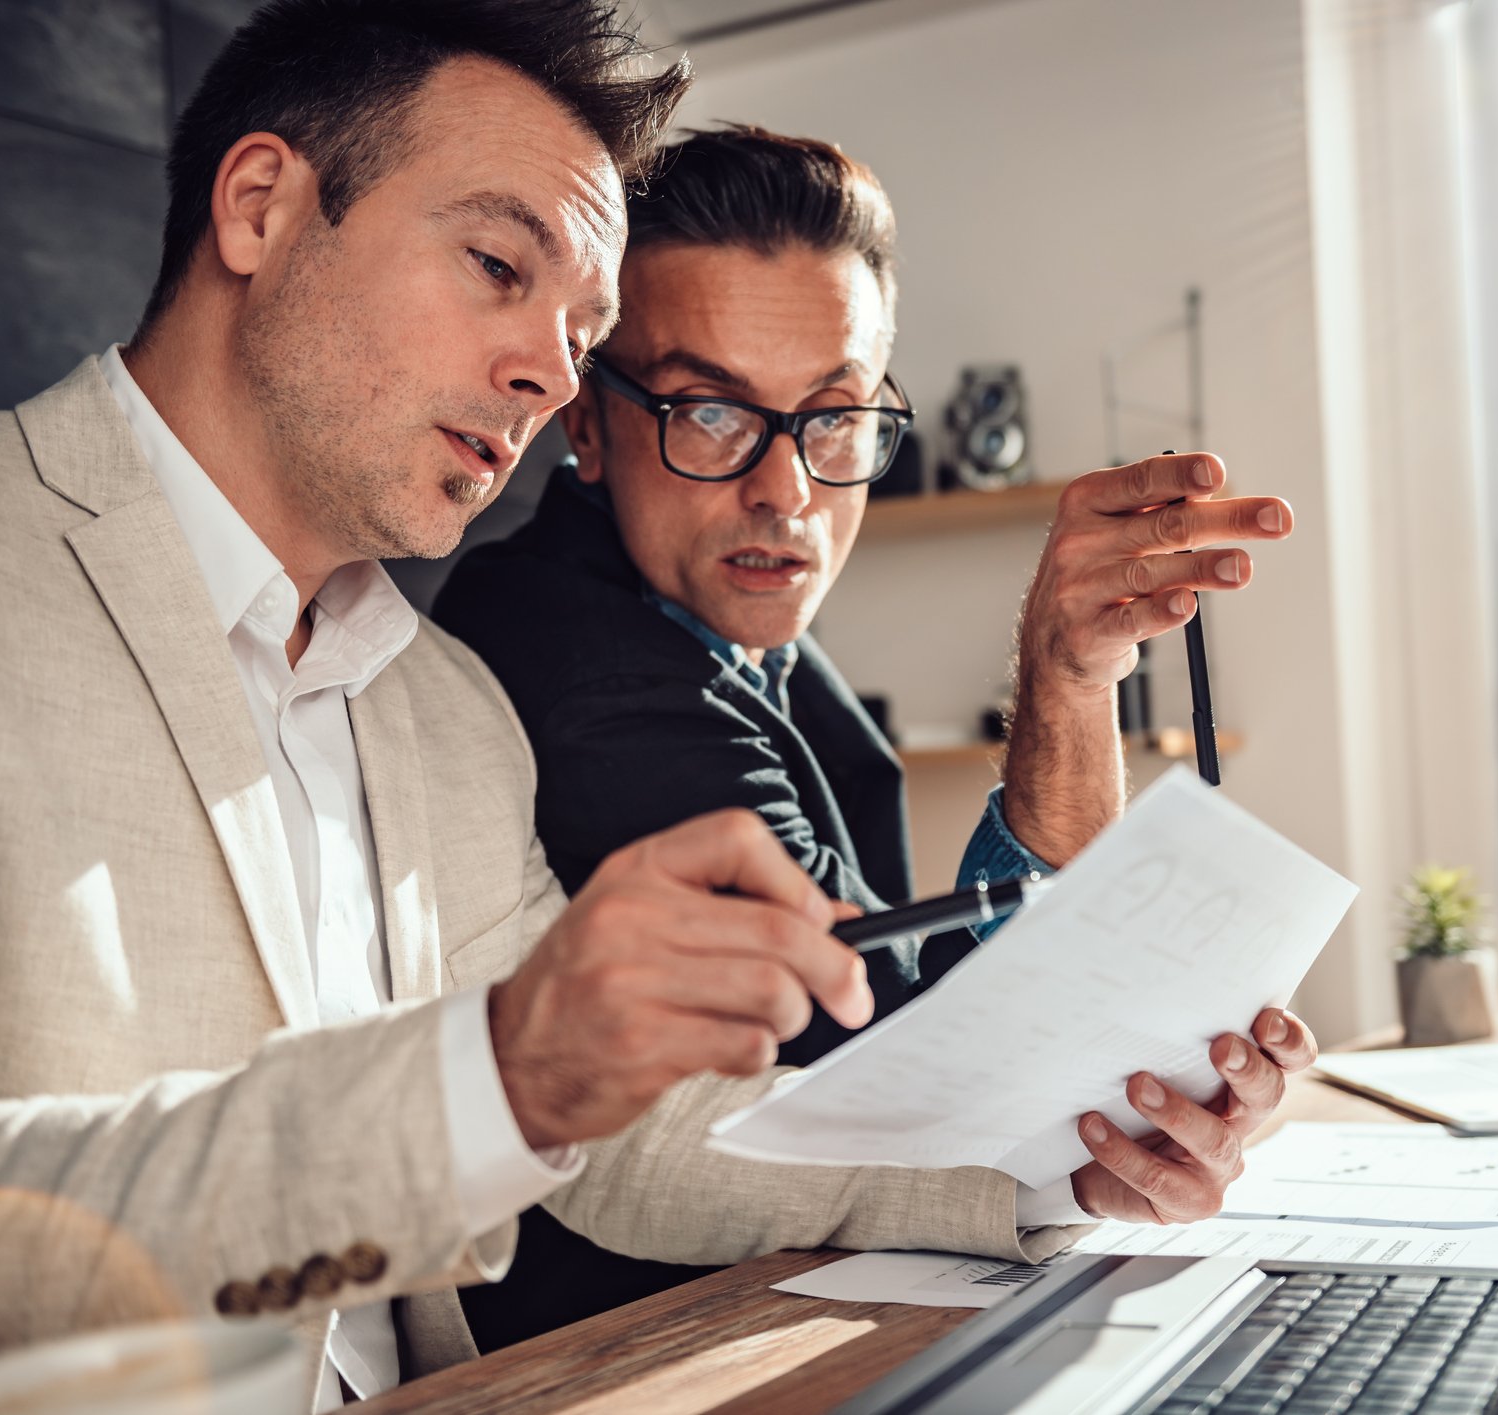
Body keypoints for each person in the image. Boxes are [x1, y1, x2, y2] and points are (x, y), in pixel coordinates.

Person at [0, 4, 1315, 1409]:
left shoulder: (441, 700)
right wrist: (493, 1070)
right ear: (259, 207)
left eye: (581, 322)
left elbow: (624, 1143)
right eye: (500, 264)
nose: (549, 374)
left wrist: (1062, 1166)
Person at [432, 125, 1299, 1344]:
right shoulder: (572, 658)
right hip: (650, 1352)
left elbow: (967, 1030)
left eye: (832, 418)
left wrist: (1074, 673)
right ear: (588, 423)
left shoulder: (732, 616)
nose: (784, 490)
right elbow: (914, 1076)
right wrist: (1058, 690)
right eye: (708, 411)